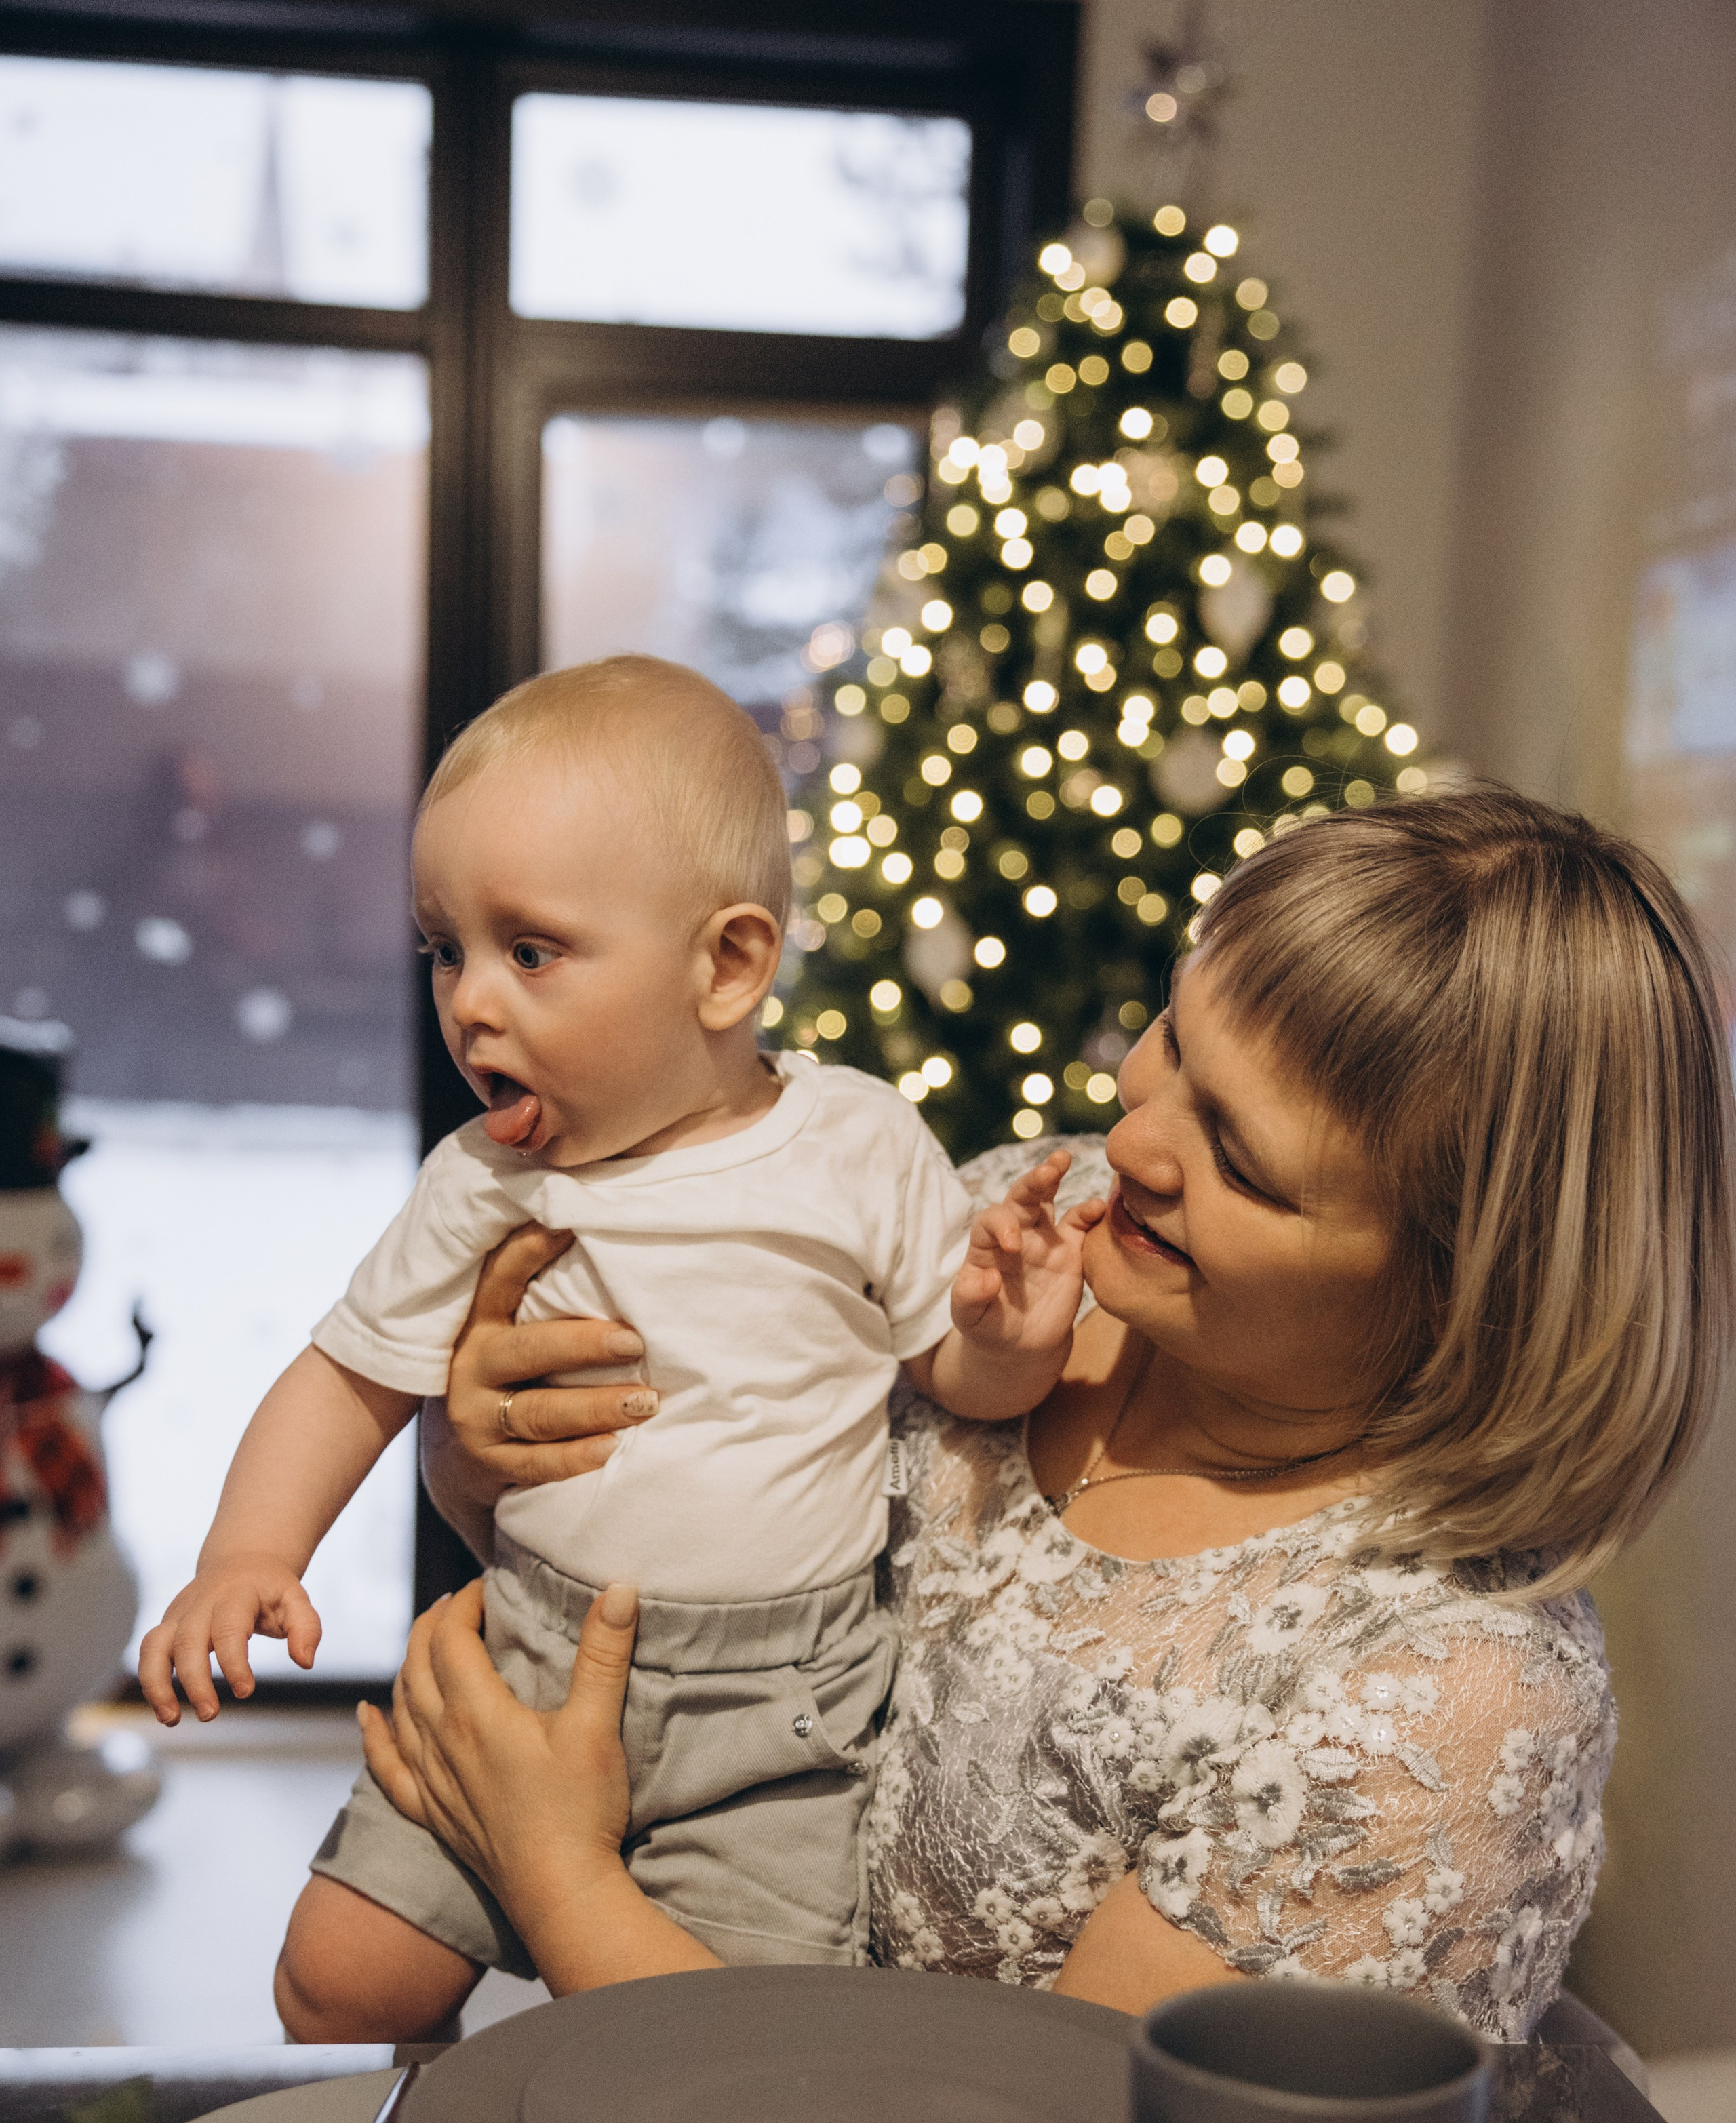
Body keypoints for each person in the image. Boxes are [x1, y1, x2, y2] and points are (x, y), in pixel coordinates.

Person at [347, 789, 1735, 2039]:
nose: (1129, 1139)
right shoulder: (1044, 1216)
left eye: (1239, 1159)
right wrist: (478, 1457)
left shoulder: (1439, 1700)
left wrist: (558, 1879)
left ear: (1458, 1295)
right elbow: (654, 1515)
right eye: (1172, 1037)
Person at [136, 656, 1086, 2040]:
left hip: (779, 1720)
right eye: (443, 948)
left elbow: (955, 1372)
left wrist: (1007, 1333)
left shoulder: (853, 1143)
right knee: (338, 1983)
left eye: (529, 951)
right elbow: (346, 1377)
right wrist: (243, 1555)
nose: (468, 1001)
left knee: (708, 2058)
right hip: (528, 1643)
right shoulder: (481, 1181)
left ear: (728, 965)